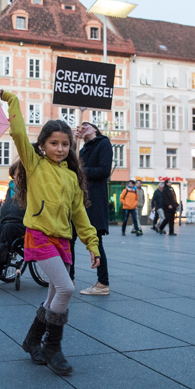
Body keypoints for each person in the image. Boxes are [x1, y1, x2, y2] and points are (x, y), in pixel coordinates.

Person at [0, 89, 100, 376]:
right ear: (42, 146)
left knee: (56, 292)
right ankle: (52, 346)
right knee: (67, 289)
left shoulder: (71, 176)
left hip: (63, 240)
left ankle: (32, 339)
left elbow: (80, 214)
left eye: (65, 144)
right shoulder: (35, 165)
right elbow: (18, 134)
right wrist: (12, 101)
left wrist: (92, 244)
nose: (60, 148)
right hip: (40, 235)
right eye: (54, 143)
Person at [74, 120, 113, 296]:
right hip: (79, 199)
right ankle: (69, 277)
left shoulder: (103, 143)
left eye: (86, 125)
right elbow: (72, 166)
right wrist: (74, 143)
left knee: (95, 241)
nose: (83, 127)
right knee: (69, 237)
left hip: (95, 199)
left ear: (95, 129)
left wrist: (82, 171)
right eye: (80, 127)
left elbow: (104, 170)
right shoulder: (82, 149)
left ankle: (103, 283)